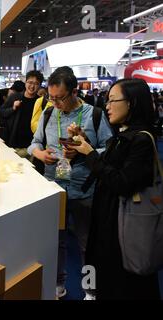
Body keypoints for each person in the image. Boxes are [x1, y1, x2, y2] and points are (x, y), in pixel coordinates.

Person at [68, 78, 161, 300]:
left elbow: (121, 182)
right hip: (108, 219)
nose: (107, 106)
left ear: (132, 103)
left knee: (124, 282)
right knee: (103, 272)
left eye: (112, 100)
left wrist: (89, 153)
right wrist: (85, 141)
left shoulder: (142, 140)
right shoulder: (123, 134)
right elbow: (107, 165)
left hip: (125, 223)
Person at [27, 67, 112, 299]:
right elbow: (33, 143)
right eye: (51, 98)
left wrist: (86, 152)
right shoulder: (47, 113)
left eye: (60, 98)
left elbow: (110, 150)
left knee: (87, 244)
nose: (55, 103)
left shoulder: (93, 114)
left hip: (84, 190)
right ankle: (58, 284)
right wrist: (40, 154)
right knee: (55, 241)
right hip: (53, 188)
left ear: (74, 92)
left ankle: (90, 289)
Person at [0, 70, 44, 157]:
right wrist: (13, 108)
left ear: (39, 86)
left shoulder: (41, 101)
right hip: (14, 144)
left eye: (36, 83)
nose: (32, 86)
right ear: (25, 83)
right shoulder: (15, 97)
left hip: (32, 147)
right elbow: (1, 112)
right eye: (30, 82)